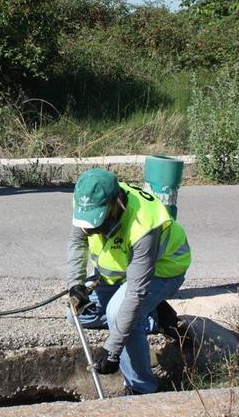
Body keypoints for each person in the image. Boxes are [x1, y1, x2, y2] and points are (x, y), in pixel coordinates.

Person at [66, 168, 191, 395]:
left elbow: (134, 293)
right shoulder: (86, 200)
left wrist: (112, 349)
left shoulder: (144, 223)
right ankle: (154, 315)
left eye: (98, 220)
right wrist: (76, 284)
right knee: (78, 313)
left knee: (120, 314)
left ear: (117, 203)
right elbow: (77, 243)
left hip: (162, 271)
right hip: (123, 273)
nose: (92, 228)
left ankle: (141, 390)